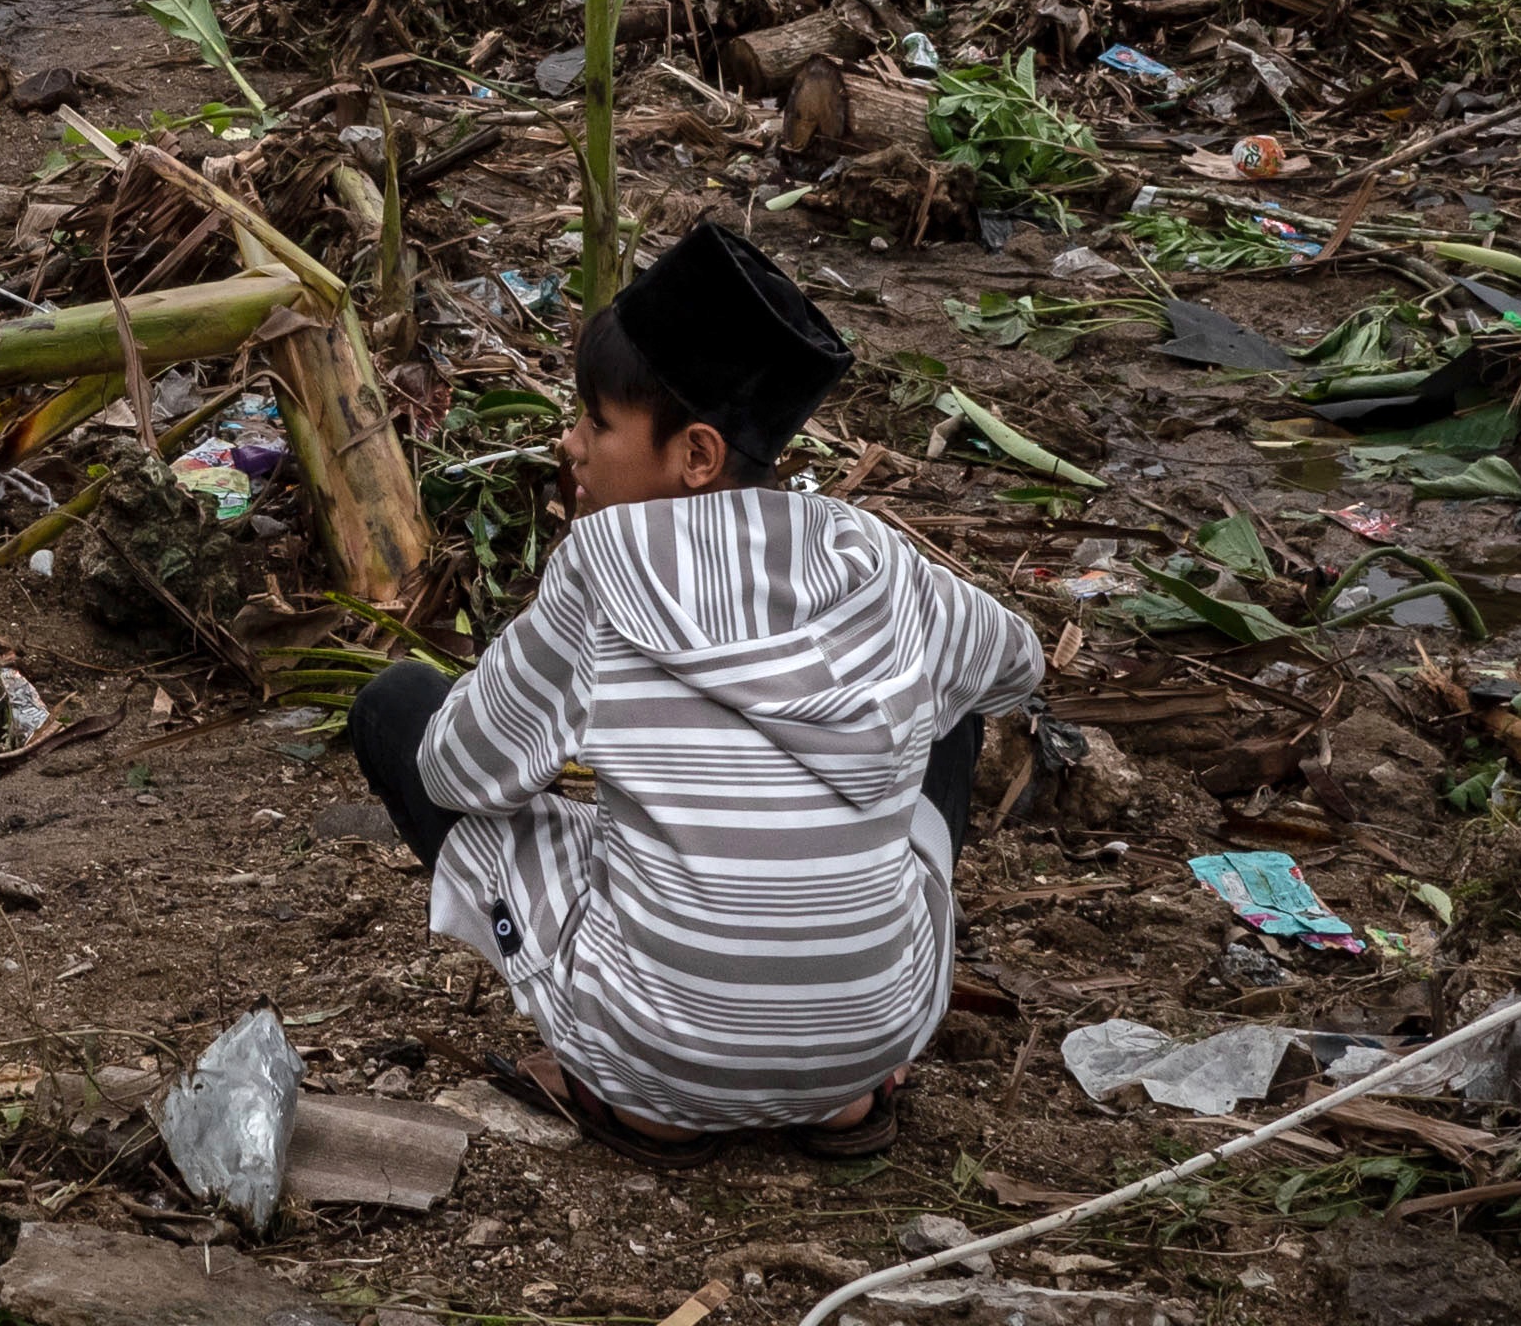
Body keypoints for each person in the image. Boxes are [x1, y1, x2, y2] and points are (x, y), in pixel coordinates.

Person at [343, 222, 1042, 1158]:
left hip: (653, 1069)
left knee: (398, 709)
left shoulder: (601, 568)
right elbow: (1017, 665)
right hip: (867, 1049)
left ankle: (634, 1091)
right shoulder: (872, 556)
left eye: (596, 421)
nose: (572, 443)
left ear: (698, 455)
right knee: (942, 705)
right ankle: (840, 1086)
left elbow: (460, 773)